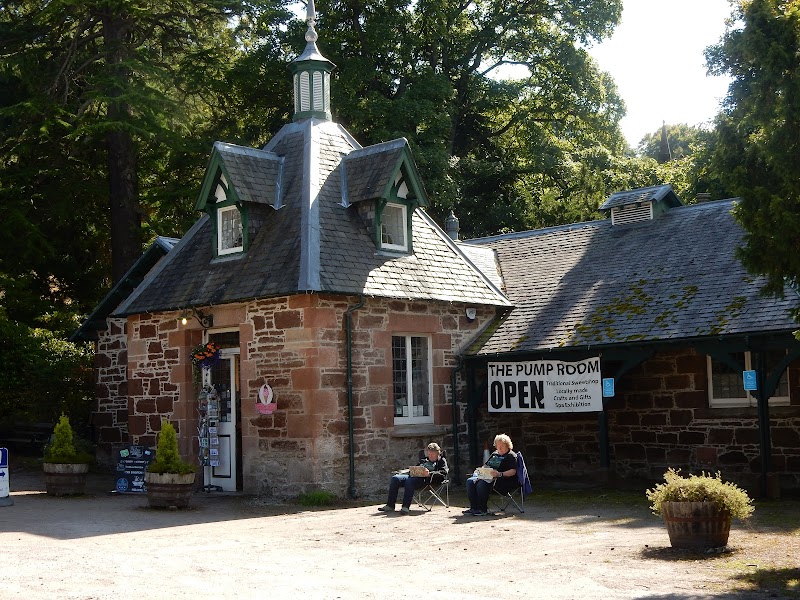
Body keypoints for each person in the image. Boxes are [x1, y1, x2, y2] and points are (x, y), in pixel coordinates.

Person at [378, 442, 448, 515]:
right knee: (395, 478)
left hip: (426, 481)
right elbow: (416, 468)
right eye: (429, 454)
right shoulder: (424, 460)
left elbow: (443, 472)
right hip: (413, 477)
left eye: (432, 454)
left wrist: (429, 474)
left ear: (438, 453)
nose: (430, 456)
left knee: (409, 481)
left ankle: (405, 507)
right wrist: (410, 470)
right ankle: (390, 505)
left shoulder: (441, 461)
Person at [464, 433, 517, 516]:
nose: (499, 448)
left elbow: (513, 471)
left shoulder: (511, 456)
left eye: (501, 446)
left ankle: (482, 509)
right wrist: (481, 470)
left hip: (503, 481)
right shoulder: (495, 454)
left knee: (481, 483)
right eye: (497, 446)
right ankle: (474, 508)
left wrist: (499, 474)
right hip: (488, 477)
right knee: (470, 481)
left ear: (507, 445)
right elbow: (486, 465)